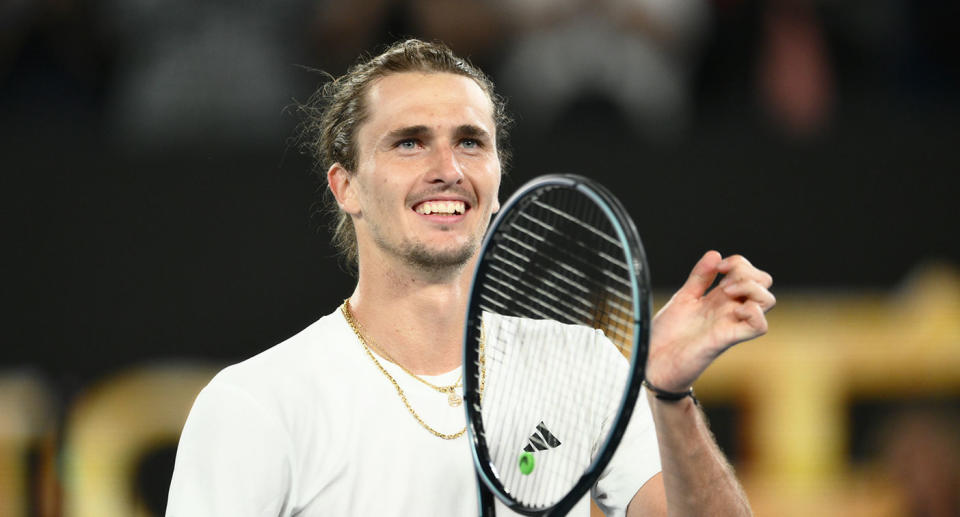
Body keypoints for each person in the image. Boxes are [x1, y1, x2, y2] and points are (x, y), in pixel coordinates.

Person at [166, 39, 775, 516]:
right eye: (409, 143)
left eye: (470, 142)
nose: (448, 169)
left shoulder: (582, 367)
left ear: (498, 177)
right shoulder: (256, 405)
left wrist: (667, 395)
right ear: (344, 185)